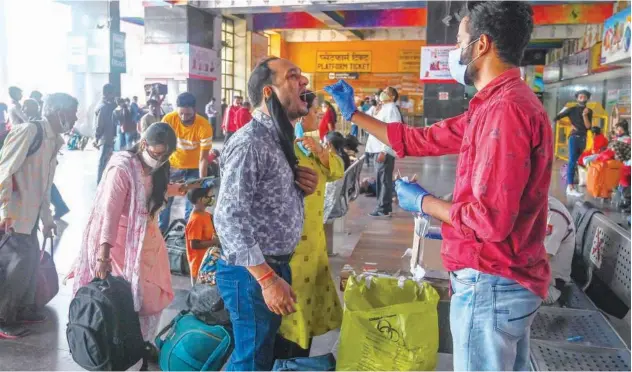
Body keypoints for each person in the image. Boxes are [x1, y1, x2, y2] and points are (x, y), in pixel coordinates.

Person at [325, 2, 550, 370]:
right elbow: (419, 140)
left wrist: (425, 202)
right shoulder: (494, 105)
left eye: (459, 40)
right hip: (500, 279)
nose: (454, 52)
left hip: (490, 277)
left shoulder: (504, 112)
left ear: (481, 45)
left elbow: (489, 222)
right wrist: (354, 115)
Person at [213, 57, 318, 371]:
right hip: (252, 273)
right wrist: (268, 281)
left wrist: (300, 187)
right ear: (269, 92)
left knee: (263, 352)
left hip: (272, 267)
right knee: (252, 360)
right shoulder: (250, 143)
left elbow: (262, 200)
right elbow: (228, 217)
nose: (304, 82)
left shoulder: (278, 139)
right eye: (292, 76)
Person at [72, 123, 192, 342]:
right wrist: (103, 256)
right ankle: (124, 346)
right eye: (158, 153)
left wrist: (178, 188)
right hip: (120, 246)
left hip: (149, 241)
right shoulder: (122, 168)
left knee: (152, 299)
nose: (161, 159)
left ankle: (141, 344)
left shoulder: (156, 167)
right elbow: (110, 213)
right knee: (130, 299)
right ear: (144, 143)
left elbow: (153, 191)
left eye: (166, 155)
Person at [0, 93, 78, 339]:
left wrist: (47, 219)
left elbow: (45, 185)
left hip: (31, 215)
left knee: (30, 262)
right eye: (73, 113)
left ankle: (22, 309)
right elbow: (4, 170)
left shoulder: (53, 141)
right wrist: (4, 213)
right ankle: (4, 319)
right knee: (17, 266)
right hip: (14, 215)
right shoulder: (29, 132)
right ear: (59, 113)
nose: (75, 118)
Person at [276, 91, 344, 359]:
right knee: (293, 313)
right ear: (301, 115)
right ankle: (287, 361)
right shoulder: (284, 147)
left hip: (314, 242)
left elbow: (337, 170)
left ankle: (299, 360)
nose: (319, 116)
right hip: (293, 246)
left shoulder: (313, 145)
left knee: (309, 310)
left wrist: (322, 153)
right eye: (315, 112)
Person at [159, 92, 213, 233]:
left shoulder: (203, 126)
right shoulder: (168, 120)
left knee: (192, 203)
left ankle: (187, 237)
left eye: (188, 114)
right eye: (181, 113)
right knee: (164, 202)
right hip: (172, 167)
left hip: (194, 169)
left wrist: (201, 183)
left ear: (195, 110)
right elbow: (161, 147)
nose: (184, 117)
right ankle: (160, 233)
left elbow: (203, 159)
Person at [370, 87, 401, 218]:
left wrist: (384, 150)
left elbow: (393, 131)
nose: (383, 93)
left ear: (393, 96)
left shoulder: (392, 109)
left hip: (383, 151)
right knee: (380, 179)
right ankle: (381, 206)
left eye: (387, 92)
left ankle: (384, 208)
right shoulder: (384, 108)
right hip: (377, 149)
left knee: (384, 180)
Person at [554, 90, 593, 197]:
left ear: (587, 99)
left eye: (584, 96)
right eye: (580, 96)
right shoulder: (571, 109)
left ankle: (572, 185)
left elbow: (588, 127)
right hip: (574, 137)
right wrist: (569, 124)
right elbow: (556, 118)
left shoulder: (588, 111)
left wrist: (585, 115)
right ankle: (570, 187)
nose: (582, 98)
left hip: (583, 138)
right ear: (577, 98)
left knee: (576, 161)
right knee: (571, 161)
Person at [544, 196, 575, 305]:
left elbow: (543, 258)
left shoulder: (554, 215)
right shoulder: (533, 208)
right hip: (539, 280)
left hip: (552, 287)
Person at [185, 187, 220, 284]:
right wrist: (215, 242)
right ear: (200, 199)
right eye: (208, 197)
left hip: (208, 263)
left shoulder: (207, 215)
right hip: (200, 266)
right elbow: (194, 244)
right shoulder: (196, 220)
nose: (211, 199)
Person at [95, 84, 118, 184]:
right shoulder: (104, 107)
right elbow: (99, 125)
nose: (114, 95)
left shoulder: (106, 106)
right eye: (112, 93)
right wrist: (96, 137)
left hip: (108, 138)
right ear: (107, 93)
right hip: (107, 139)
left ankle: (103, 183)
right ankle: (100, 184)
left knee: (106, 162)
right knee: (103, 162)